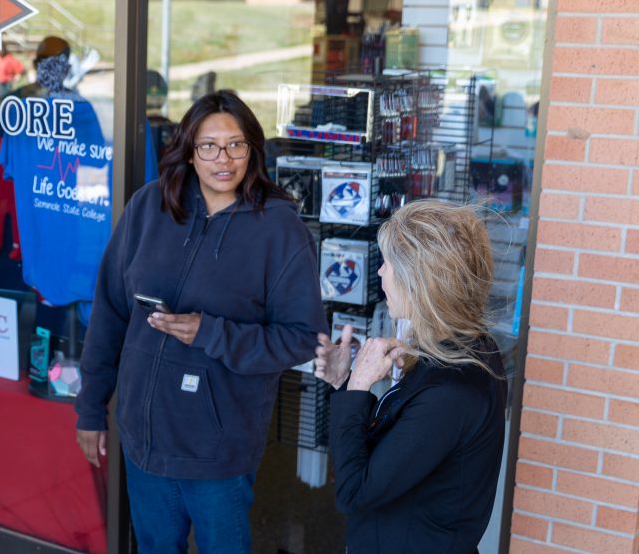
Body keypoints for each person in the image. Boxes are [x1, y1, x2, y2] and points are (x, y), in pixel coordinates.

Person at [75, 91, 328, 553]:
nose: (223, 159)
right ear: (189, 151)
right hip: (144, 434)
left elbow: (302, 338)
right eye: (209, 145)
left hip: (218, 449)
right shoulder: (149, 207)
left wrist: (210, 332)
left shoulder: (279, 229)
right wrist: (92, 407)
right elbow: (110, 311)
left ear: (253, 150)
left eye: (236, 145)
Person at [314, 199, 507, 554]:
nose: (379, 273)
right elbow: (397, 454)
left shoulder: (451, 390)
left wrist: (358, 387)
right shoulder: (461, 350)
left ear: (417, 279)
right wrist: (345, 381)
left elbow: (354, 491)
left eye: (387, 263)